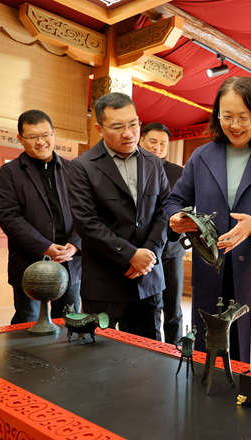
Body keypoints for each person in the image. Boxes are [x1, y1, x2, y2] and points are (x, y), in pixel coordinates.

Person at [164, 76, 251, 363]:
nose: (235, 125)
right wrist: (175, 218)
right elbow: (174, 201)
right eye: (227, 116)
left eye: (244, 117)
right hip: (212, 273)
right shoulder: (202, 156)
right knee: (211, 359)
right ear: (217, 116)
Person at [68, 93, 170, 340]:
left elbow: (165, 210)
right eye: (117, 127)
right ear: (99, 129)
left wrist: (149, 253)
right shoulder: (83, 166)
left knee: (147, 354)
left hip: (148, 279)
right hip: (105, 282)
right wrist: (130, 255)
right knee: (96, 352)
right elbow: (86, 222)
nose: (128, 133)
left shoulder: (153, 163)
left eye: (133, 124)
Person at [0, 110, 82, 324]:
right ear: (20, 139)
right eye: (33, 137)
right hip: (29, 262)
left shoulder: (73, 169)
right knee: (29, 321)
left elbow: (87, 213)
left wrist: (75, 244)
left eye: (45, 135)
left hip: (69, 261)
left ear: (53, 134)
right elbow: (9, 217)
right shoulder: (10, 172)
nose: (41, 142)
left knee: (69, 321)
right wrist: (45, 247)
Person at [139, 122, 186, 344]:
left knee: (173, 307)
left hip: (172, 250)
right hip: (144, 250)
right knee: (150, 307)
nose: (158, 147)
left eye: (163, 144)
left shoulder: (180, 173)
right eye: (153, 141)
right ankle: (153, 350)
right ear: (141, 141)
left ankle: (176, 352)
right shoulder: (134, 170)